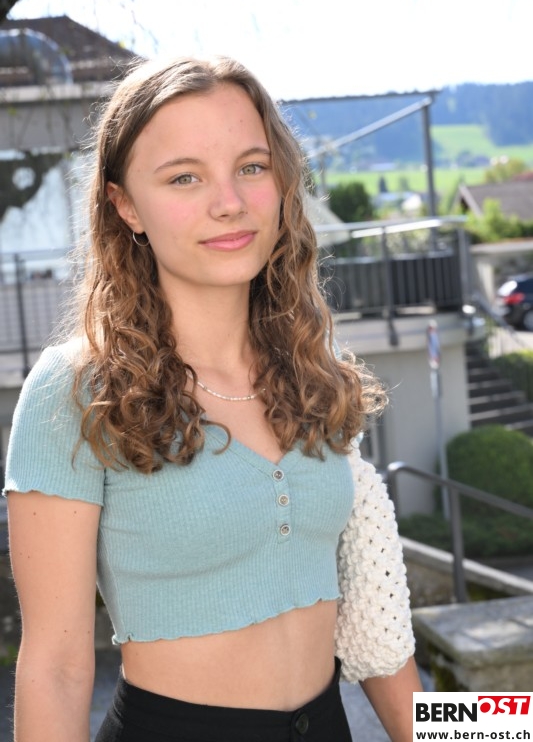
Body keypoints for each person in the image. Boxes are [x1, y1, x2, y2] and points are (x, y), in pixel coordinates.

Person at [4, 55, 422, 742]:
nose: (229, 202)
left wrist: (493, 727)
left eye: (251, 167)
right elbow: (55, 669)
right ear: (125, 205)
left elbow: (381, 636)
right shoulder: (78, 390)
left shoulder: (311, 367)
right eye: (184, 177)